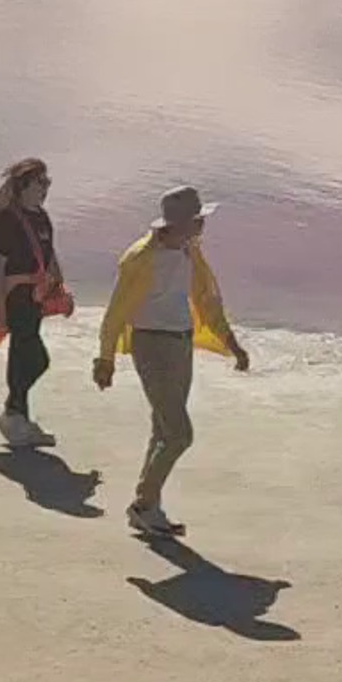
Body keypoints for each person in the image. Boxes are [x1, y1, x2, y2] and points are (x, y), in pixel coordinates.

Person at [95, 183, 249, 538]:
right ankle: (143, 505)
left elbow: (207, 302)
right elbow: (115, 313)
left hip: (181, 344)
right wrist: (105, 359)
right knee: (180, 434)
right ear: (177, 223)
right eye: (197, 219)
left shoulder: (189, 253)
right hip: (151, 345)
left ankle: (149, 507)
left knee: (163, 429)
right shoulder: (140, 258)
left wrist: (232, 344)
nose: (202, 225)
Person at [0, 155, 71, 439]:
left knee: (23, 354)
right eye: (40, 182)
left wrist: (60, 288)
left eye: (47, 182)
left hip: (35, 294)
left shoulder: (41, 217)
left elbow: (49, 255)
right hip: (15, 295)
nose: (45, 188)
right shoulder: (8, 219)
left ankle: (18, 416)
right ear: (23, 186)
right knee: (35, 358)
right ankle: (13, 412)